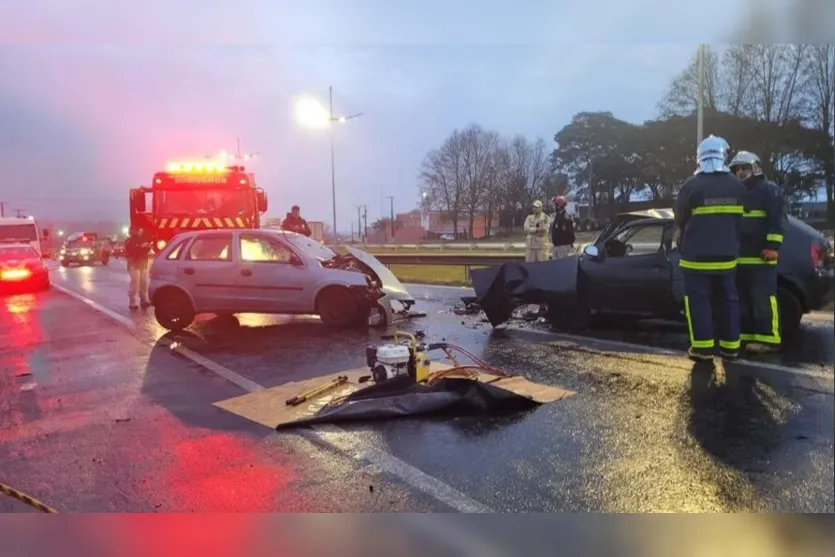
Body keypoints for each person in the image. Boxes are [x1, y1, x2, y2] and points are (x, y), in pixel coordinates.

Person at [673, 135, 747, 362]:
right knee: (729, 300)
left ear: (700, 157)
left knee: (699, 302)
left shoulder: (691, 185)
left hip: (696, 258)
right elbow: (741, 221)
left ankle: (703, 349)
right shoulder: (737, 185)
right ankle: (731, 348)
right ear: (724, 155)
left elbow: (679, 216)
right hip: (727, 258)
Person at [730, 151, 785, 354]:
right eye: (737, 169)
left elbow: (777, 221)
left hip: (762, 257)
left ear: (755, 168)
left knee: (763, 298)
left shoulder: (769, 190)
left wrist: (772, 247)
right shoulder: (736, 192)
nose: (741, 172)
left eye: (745, 168)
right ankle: (746, 337)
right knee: (742, 299)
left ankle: (769, 339)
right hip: (740, 257)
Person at [125, 227, 152, 310]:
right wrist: (141, 246)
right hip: (133, 263)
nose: (140, 232)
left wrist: (147, 246)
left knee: (144, 282)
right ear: (133, 232)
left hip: (142, 263)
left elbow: (147, 249)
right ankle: (132, 302)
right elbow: (133, 249)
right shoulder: (129, 241)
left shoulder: (143, 240)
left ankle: (144, 300)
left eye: (141, 231)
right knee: (135, 283)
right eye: (139, 231)